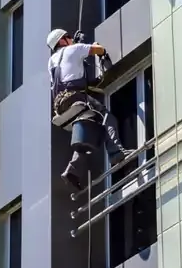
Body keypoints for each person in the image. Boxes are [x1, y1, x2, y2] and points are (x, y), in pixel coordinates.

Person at [47, 28, 134, 191]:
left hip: (59, 107)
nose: (71, 38)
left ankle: (72, 171)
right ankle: (116, 153)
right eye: (68, 37)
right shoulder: (74, 49)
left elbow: (66, 71)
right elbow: (98, 50)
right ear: (62, 40)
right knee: (107, 117)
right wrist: (91, 46)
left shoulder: (51, 60)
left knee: (88, 132)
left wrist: (79, 47)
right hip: (75, 97)